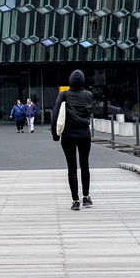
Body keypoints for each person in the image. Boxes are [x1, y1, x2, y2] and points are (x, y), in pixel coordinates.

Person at [51, 69, 95, 211]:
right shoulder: (89, 95)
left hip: (68, 135)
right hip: (84, 134)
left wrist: (55, 134)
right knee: (85, 165)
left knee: (72, 168)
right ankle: (86, 197)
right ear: (83, 81)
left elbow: (55, 114)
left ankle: (75, 201)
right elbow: (90, 112)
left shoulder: (63, 95)